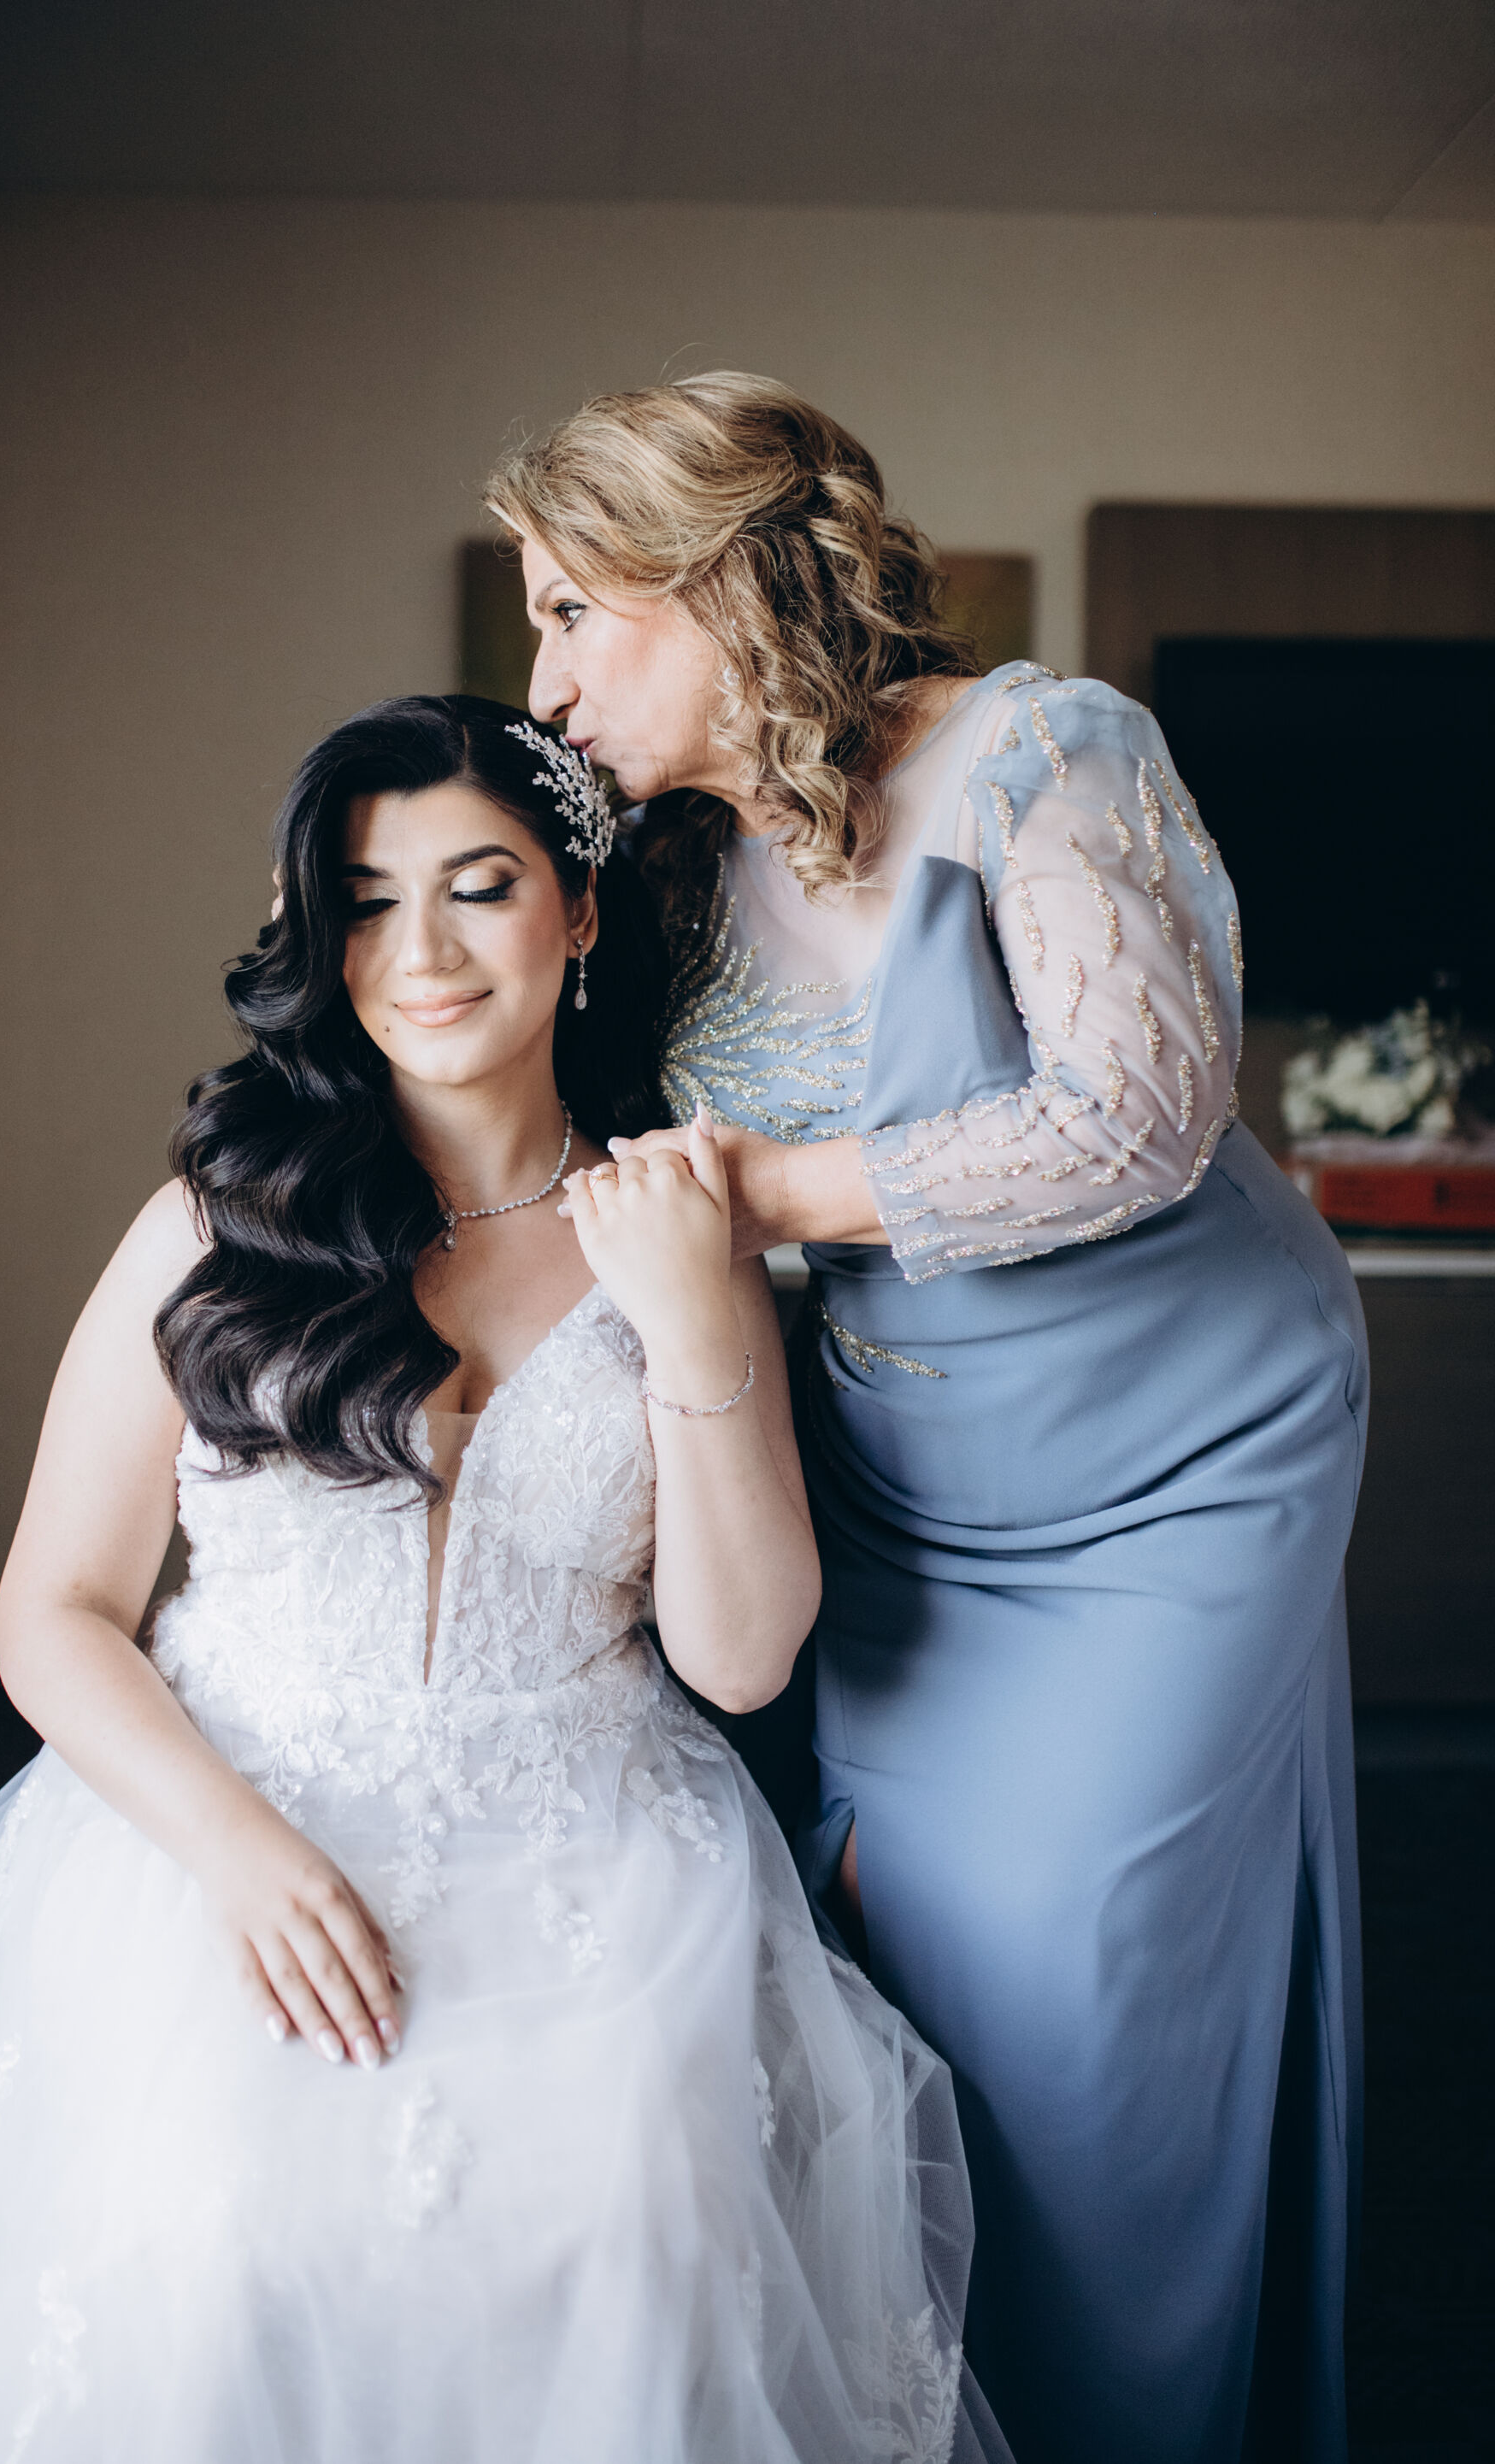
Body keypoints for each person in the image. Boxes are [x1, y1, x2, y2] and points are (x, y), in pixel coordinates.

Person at [0, 696, 1013, 2464]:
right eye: (368, 901)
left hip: (594, 1862)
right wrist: (239, 1852)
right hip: (221, 1823)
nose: (423, 953)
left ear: (581, 910)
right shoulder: (215, 1225)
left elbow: (740, 1655)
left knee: (625, 2248)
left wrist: (691, 1318)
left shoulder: (679, 1223)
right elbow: (53, 1610)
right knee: (219, 2252)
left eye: (480, 886)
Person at [487, 376, 1369, 2464]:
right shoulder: (674, 858)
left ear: (715, 575)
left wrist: (752, 1198)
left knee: (1084, 1967)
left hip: (1184, 1463)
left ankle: (1134, 2413)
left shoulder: (1043, 751)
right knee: (909, 1949)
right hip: (912, 1480)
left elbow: (1136, 1116)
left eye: (571, 613)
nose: (546, 682)